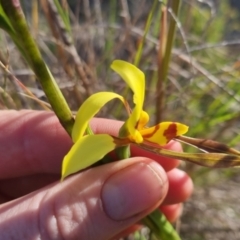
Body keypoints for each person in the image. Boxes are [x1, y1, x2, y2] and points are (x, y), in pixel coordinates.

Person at [0, 110, 193, 240]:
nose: (141, 125)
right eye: (138, 124)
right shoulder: (102, 144)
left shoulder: (106, 143)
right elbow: (73, 158)